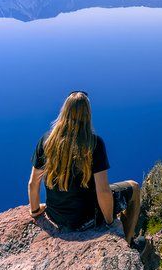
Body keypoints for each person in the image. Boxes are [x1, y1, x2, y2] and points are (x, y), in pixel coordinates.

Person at [27, 91, 141, 243]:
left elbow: (33, 183)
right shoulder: (94, 144)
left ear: (64, 110)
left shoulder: (47, 141)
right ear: (87, 114)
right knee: (134, 187)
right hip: (84, 219)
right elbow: (103, 190)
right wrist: (110, 223)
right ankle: (129, 240)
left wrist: (35, 211)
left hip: (55, 216)